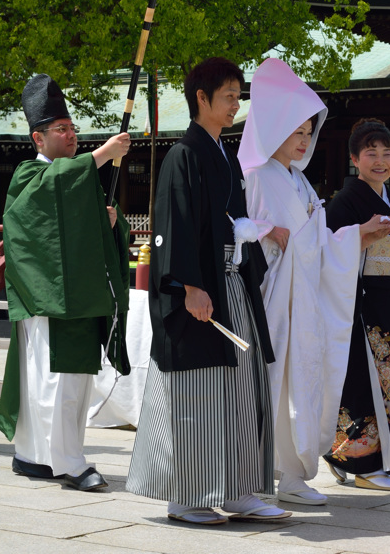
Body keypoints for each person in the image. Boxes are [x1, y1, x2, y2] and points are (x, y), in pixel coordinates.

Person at [126, 57, 290, 526]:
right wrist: (189, 286)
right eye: (228, 96)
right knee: (200, 392)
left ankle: (239, 490)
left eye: (239, 96)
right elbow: (174, 224)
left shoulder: (223, 154)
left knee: (241, 385)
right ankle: (187, 495)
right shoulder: (185, 155)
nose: (236, 104)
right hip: (202, 288)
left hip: (231, 281)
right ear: (201, 99)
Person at [239, 59, 390, 506]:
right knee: (272, 383)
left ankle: (291, 472)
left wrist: (353, 236)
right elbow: (246, 229)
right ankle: (258, 474)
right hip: (274, 300)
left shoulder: (299, 181)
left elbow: (317, 239)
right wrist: (266, 232)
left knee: (300, 384)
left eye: (309, 132)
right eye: (296, 131)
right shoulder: (257, 175)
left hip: (303, 297)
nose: (304, 140)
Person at [0, 74, 131, 491]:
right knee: (52, 383)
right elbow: (39, 208)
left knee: (71, 383)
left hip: (81, 294)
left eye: (73, 129)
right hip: (49, 297)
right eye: (61, 130)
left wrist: (110, 224)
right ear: (38, 139)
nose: (71, 135)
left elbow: (92, 228)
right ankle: (70, 464)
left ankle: (35, 457)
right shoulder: (28, 176)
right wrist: (101, 155)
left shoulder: (78, 178)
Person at [324, 118, 390, 492]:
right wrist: (359, 239)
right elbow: (328, 252)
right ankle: (364, 465)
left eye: (387, 153)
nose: (380, 160)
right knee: (363, 382)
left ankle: (345, 455)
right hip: (359, 306)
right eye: (371, 153)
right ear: (354, 159)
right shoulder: (345, 202)